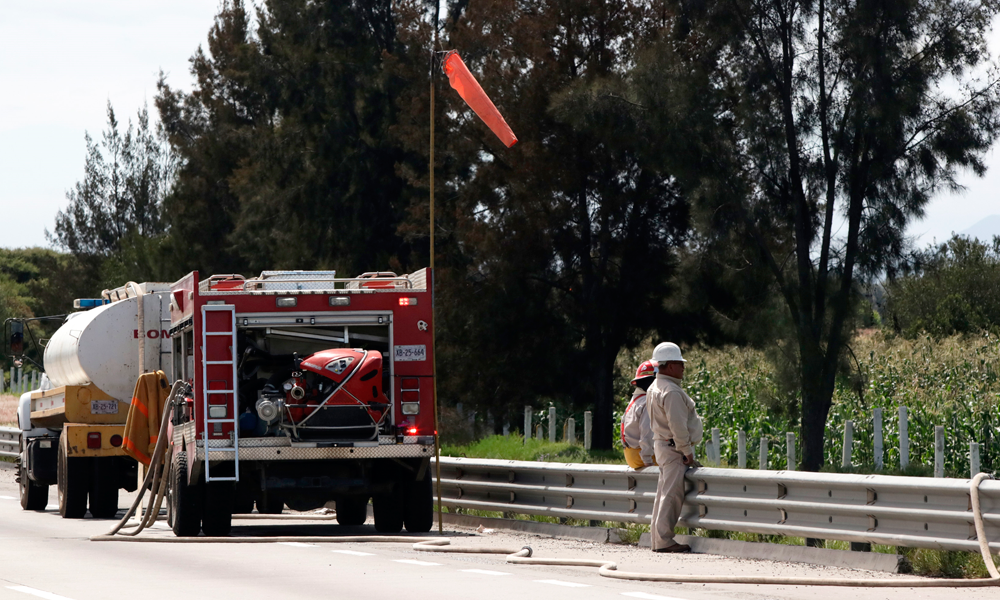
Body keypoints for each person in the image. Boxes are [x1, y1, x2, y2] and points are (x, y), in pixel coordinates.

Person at [646, 341, 703, 553]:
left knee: (663, 494)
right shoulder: (671, 391)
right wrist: (686, 451)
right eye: (680, 363)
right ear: (669, 366)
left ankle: (657, 539)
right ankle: (663, 541)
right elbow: (678, 426)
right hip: (674, 449)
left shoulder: (654, 387)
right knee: (671, 495)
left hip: (662, 445)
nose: (683, 367)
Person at [621, 360, 657, 469]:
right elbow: (647, 433)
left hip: (631, 455)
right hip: (641, 456)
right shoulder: (647, 403)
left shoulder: (636, 400)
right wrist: (647, 460)